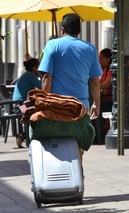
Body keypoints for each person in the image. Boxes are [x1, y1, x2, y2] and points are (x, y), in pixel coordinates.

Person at [35, 13, 102, 163]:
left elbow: (46, 77)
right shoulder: (90, 49)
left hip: (57, 107)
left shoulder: (52, 45)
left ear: (62, 29)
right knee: (78, 151)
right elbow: (95, 81)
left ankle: (60, 178)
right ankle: (77, 176)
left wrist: (43, 103)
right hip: (81, 108)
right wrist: (96, 103)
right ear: (79, 31)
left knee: (55, 147)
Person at [12, 58, 41, 148]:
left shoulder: (26, 75)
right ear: (34, 68)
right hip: (21, 105)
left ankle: (22, 135)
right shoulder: (30, 76)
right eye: (39, 67)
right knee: (40, 114)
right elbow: (43, 86)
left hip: (17, 104)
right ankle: (25, 136)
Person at [93, 48, 113, 144]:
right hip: (104, 98)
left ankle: (99, 136)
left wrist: (95, 84)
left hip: (110, 101)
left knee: (96, 110)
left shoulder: (111, 71)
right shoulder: (104, 70)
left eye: (101, 59)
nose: (99, 61)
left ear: (108, 59)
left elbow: (104, 85)